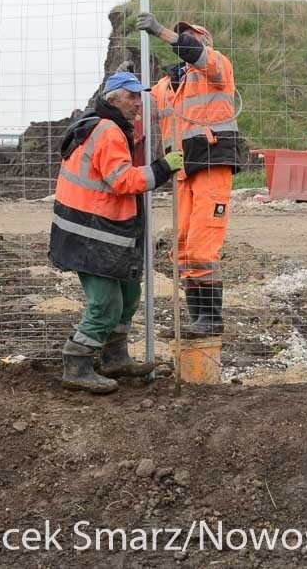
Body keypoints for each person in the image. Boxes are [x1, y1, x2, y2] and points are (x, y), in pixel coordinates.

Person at [49, 70, 183, 394]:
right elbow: (122, 180)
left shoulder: (104, 126)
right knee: (106, 303)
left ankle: (115, 357)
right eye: (133, 96)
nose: (139, 103)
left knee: (128, 293)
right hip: (90, 234)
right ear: (114, 98)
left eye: (140, 96)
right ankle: (76, 362)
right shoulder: (107, 131)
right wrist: (163, 168)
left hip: (94, 230)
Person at [136, 12, 241, 336]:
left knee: (201, 245)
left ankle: (210, 318)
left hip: (212, 163)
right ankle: (197, 319)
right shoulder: (166, 87)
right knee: (182, 246)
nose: (185, 45)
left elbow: (194, 53)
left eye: (190, 39)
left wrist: (160, 31)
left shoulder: (217, 68)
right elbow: (140, 108)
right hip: (182, 170)